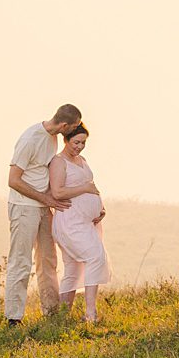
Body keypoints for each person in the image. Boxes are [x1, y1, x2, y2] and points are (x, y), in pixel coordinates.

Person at [3, 103, 79, 325]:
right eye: (72, 127)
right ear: (64, 125)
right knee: (21, 260)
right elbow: (13, 180)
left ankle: (52, 313)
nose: (73, 131)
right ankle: (13, 318)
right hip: (24, 207)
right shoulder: (30, 139)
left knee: (48, 259)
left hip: (43, 206)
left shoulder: (53, 137)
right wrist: (45, 198)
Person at [49, 121, 110, 323]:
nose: (80, 146)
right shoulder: (59, 162)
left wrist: (100, 208)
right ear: (65, 139)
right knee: (95, 257)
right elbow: (57, 192)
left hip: (86, 222)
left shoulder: (81, 159)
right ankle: (90, 314)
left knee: (74, 268)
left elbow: (91, 186)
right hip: (70, 222)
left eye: (83, 142)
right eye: (76, 142)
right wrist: (85, 189)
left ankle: (62, 316)